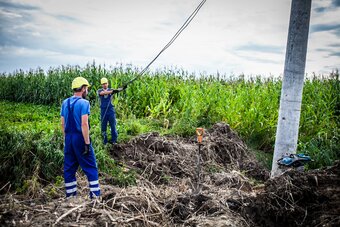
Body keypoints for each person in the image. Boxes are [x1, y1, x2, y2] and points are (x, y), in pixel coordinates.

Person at [60, 77, 100, 199]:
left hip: (69, 138)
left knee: (69, 168)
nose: (87, 90)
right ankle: (95, 196)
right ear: (83, 88)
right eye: (86, 88)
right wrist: (87, 143)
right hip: (80, 138)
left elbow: (62, 123)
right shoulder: (84, 103)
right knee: (90, 166)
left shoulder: (64, 103)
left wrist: (66, 139)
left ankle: (71, 197)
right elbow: (84, 124)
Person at [97, 77, 126, 144]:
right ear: (101, 85)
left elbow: (117, 90)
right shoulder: (99, 91)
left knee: (113, 125)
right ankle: (105, 141)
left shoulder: (111, 89)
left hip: (110, 110)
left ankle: (114, 140)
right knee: (103, 126)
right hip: (103, 110)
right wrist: (113, 91)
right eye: (103, 84)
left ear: (108, 83)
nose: (104, 85)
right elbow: (102, 93)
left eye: (105, 83)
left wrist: (122, 88)